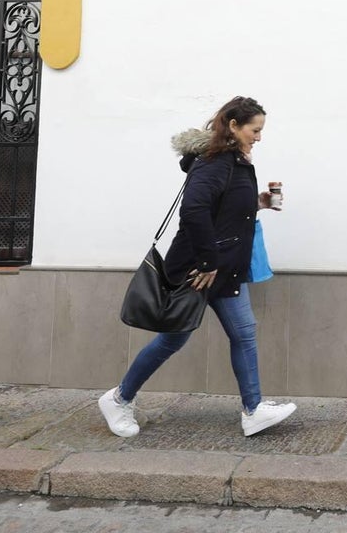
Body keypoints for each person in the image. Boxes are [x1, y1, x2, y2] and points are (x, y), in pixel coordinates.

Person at [98, 96, 296, 438]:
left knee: (244, 333)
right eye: (255, 130)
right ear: (233, 126)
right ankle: (119, 399)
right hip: (199, 269)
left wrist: (257, 203)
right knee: (172, 339)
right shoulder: (215, 162)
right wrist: (207, 261)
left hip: (223, 269)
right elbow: (193, 210)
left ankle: (253, 410)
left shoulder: (233, 160)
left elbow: (221, 207)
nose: (259, 137)